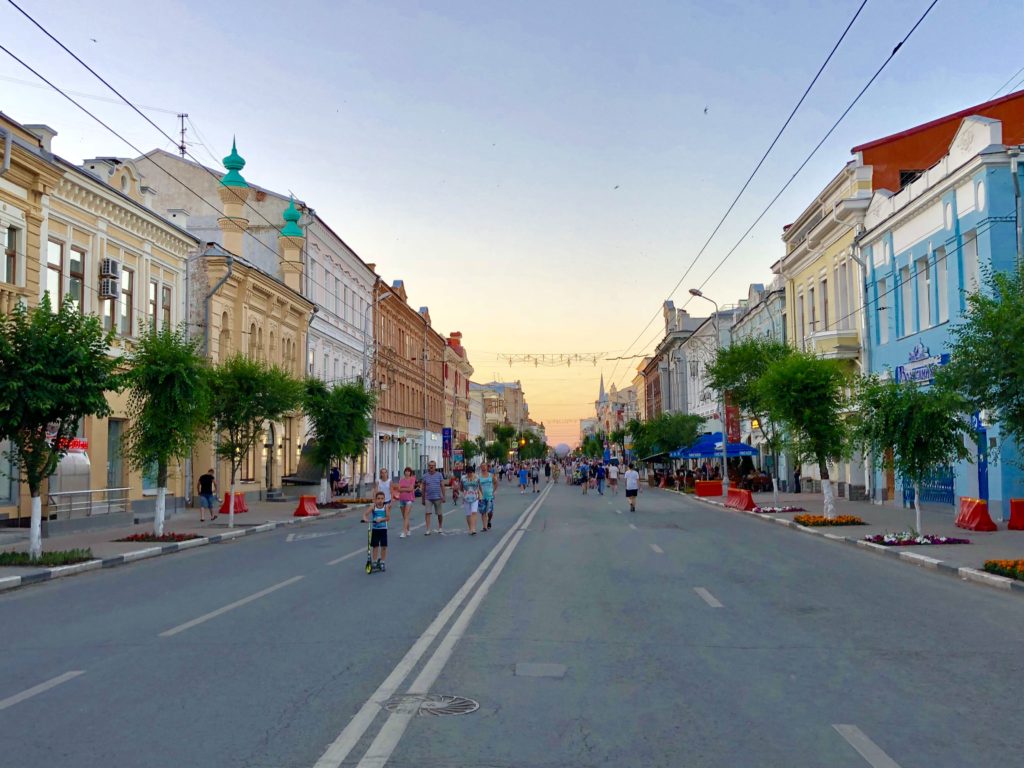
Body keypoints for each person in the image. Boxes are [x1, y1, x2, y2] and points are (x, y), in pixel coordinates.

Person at [362, 491, 389, 572]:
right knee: (375, 546)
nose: (380, 500)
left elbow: (388, 517)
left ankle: (382, 562)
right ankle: (374, 561)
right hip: (375, 529)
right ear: (375, 499)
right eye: (378, 499)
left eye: (382, 499)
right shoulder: (373, 506)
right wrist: (365, 519)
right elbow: (365, 514)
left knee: (384, 546)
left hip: (383, 529)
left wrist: (381, 519)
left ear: (384, 499)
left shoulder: (385, 507)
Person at [420, 460, 446, 535]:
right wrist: (423, 499)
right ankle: (428, 529)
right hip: (428, 498)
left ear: (435, 467)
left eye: (433, 465)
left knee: (439, 513)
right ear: (428, 467)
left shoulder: (439, 475)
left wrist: (443, 496)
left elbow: (442, 486)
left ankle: (440, 527)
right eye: (430, 465)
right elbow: (423, 488)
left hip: (438, 497)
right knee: (427, 513)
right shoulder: (425, 476)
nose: (431, 467)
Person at [397, 466, 416, 538]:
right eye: (406, 471)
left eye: (408, 471)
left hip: (409, 499)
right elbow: (399, 489)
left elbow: (411, 489)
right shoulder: (401, 480)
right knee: (404, 516)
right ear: (404, 472)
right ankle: (408, 530)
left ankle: (404, 532)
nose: (407, 472)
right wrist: (406, 489)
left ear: (410, 473)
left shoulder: (412, 479)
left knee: (406, 515)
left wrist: (403, 489)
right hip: (402, 499)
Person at [462, 466, 481, 534]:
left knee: (474, 512)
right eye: (468, 472)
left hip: (475, 497)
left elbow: (479, 486)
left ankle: (473, 528)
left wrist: (480, 495)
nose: (470, 474)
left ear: (473, 472)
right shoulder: (463, 478)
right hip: (466, 498)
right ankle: (470, 528)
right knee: (468, 514)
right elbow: (461, 487)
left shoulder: (477, 478)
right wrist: (464, 493)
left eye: (471, 472)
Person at [478, 462, 496, 531]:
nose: (483, 467)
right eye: (482, 466)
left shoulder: (491, 475)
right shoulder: (479, 476)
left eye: (484, 466)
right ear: (480, 467)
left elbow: (496, 483)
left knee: (490, 512)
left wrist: (493, 491)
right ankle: (484, 527)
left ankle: (489, 521)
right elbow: (477, 486)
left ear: (487, 467)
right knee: (483, 511)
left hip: (490, 496)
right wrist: (478, 493)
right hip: (482, 496)